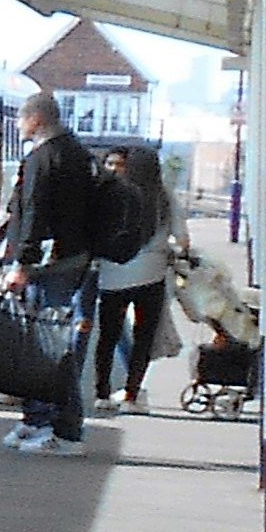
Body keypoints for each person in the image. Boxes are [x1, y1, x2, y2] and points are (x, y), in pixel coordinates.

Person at [0, 88, 101, 454]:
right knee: (45, 347)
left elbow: (34, 215)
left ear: (36, 119)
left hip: (50, 267)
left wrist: (20, 264)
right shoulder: (80, 154)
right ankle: (36, 420)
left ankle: (66, 432)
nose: (18, 124)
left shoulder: (43, 158)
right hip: (75, 260)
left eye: (21, 118)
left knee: (51, 350)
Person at [89, 142, 184, 412]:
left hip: (112, 276)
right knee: (143, 338)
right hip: (152, 276)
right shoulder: (164, 196)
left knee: (108, 337)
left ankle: (102, 394)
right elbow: (183, 239)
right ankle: (131, 396)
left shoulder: (111, 193)